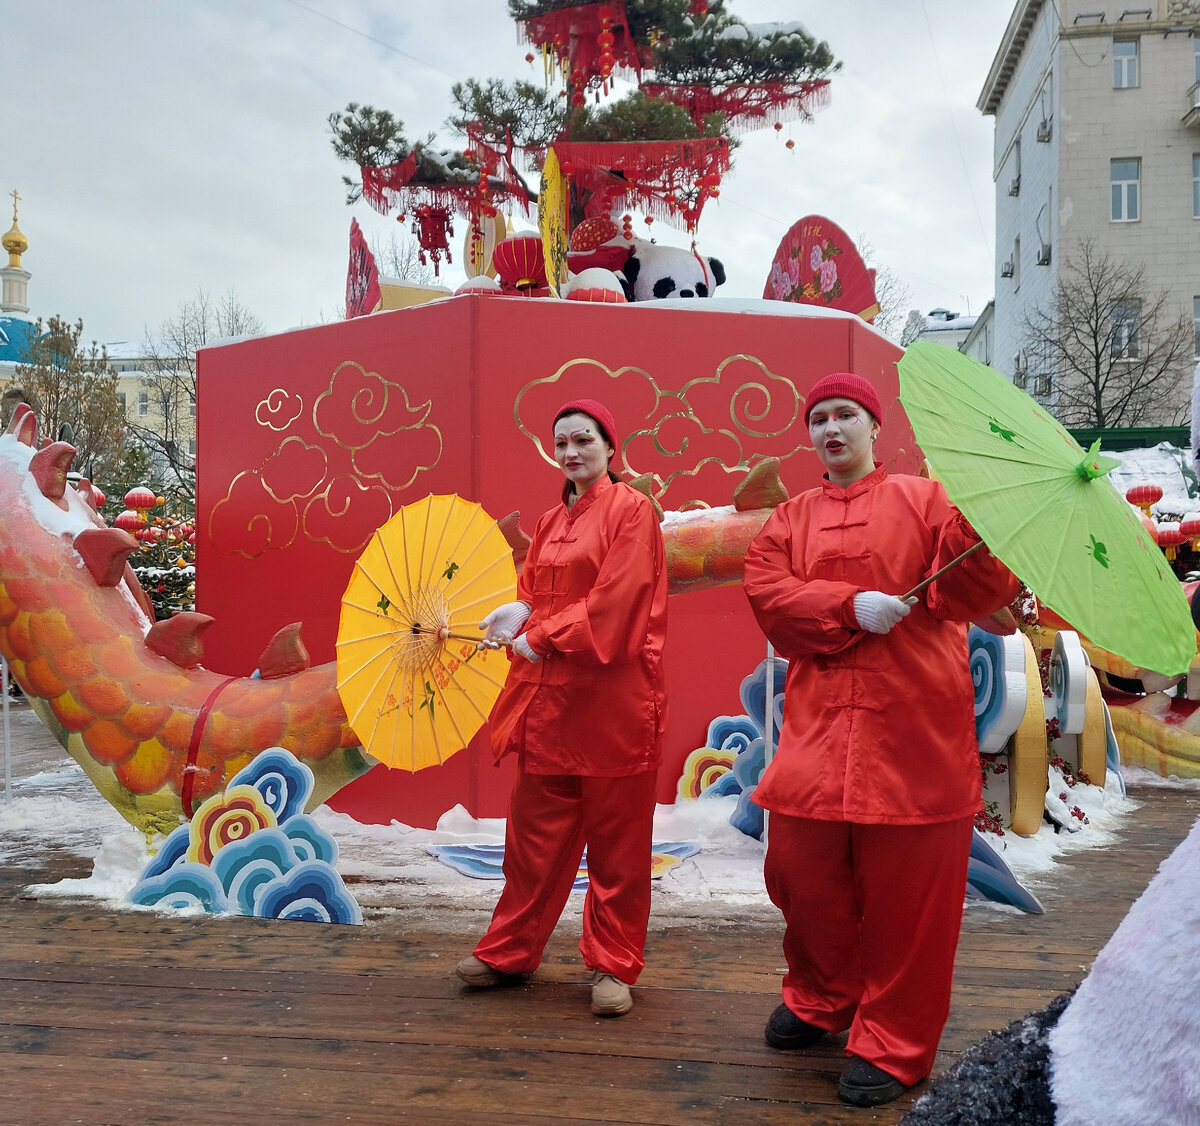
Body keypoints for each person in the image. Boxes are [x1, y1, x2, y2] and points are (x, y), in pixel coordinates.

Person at [742, 372, 1020, 1108]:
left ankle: (896, 1041)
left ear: (875, 428)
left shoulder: (929, 501)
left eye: (847, 416)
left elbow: (968, 592)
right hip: (816, 737)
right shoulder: (789, 518)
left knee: (910, 902)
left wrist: (983, 520)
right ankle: (821, 994)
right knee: (801, 877)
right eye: (820, 418)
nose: (832, 430)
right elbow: (768, 597)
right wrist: (845, 605)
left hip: (913, 736)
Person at [454, 398, 668, 1017]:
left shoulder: (632, 512)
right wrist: (517, 611)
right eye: (562, 442)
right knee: (532, 840)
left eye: (584, 439)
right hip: (550, 705)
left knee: (617, 848)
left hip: (614, 706)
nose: (573, 451)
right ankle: (510, 949)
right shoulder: (551, 520)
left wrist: (541, 636)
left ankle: (613, 965)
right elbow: (535, 590)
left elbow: (617, 602)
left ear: (610, 445)